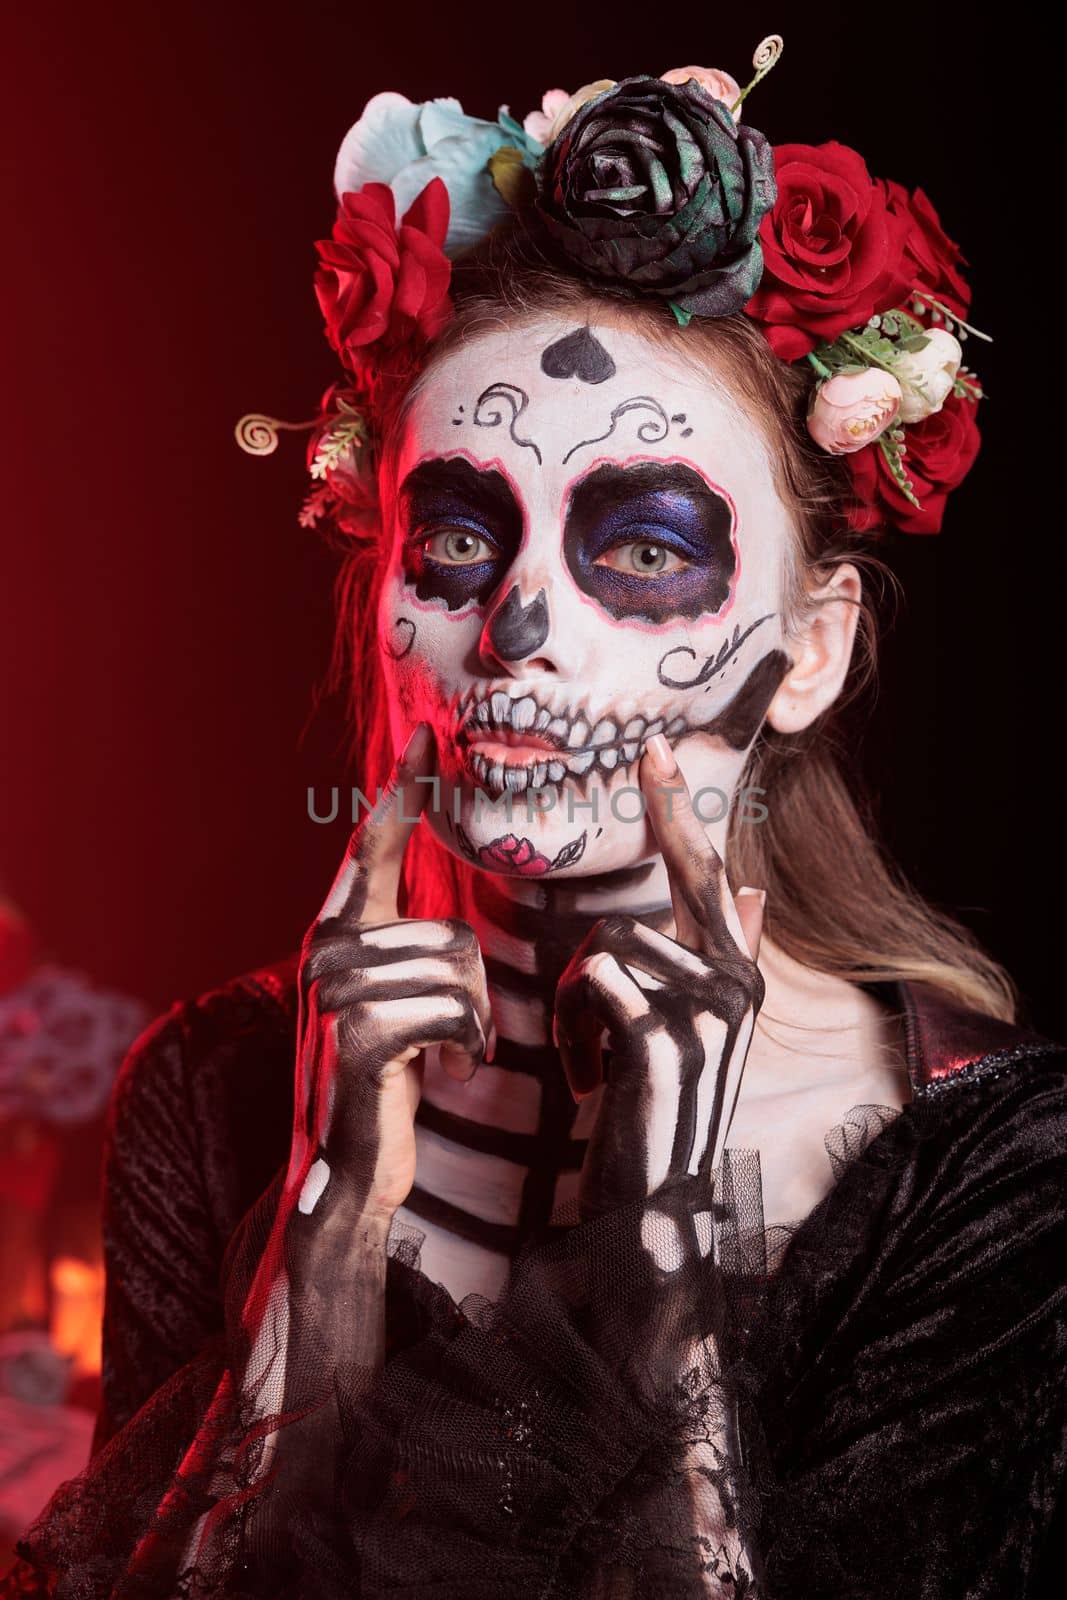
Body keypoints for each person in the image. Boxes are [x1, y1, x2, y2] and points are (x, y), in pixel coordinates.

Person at [6, 51, 1065, 1600]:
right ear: (381, 601)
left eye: (641, 546)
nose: (520, 626)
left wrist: (662, 1267)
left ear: (814, 645)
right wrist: (324, 1250)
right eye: (456, 534)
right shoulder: (220, 1086)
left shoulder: (987, 1172)